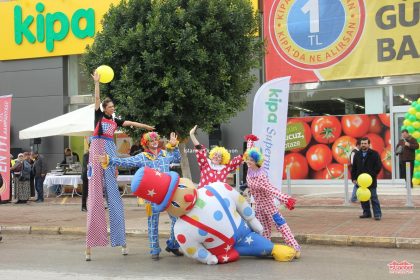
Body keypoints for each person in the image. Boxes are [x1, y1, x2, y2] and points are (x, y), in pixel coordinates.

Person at [85, 70, 154, 261]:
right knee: (96, 196)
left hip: (110, 151)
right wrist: (97, 83)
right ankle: (91, 244)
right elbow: (97, 98)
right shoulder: (98, 116)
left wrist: (145, 126)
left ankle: (121, 241)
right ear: (104, 108)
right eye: (111, 106)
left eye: (113, 106)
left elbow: (129, 122)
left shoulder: (114, 120)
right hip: (97, 150)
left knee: (114, 196)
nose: (113, 108)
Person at [100, 131, 182, 260]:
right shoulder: (142, 156)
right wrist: (110, 160)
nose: (155, 142)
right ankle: (154, 249)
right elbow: (126, 162)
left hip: (168, 194)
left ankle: (172, 244)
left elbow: (177, 158)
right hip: (152, 196)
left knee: (177, 220)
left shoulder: (165, 154)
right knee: (153, 223)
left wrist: (174, 146)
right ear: (146, 143)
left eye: (156, 139)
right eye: (151, 140)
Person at [243, 140, 301, 258]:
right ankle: (266, 248)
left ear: (257, 162)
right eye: (248, 159)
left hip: (268, 205)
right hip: (258, 205)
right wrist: (250, 141)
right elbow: (250, 152)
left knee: (281, 225)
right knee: (263, 228)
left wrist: (286, 199)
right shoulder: (250, 169)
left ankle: (295, 247)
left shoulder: (261, 176)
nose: (248, 161)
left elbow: (271, 189)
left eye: (252, 160)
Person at [351, 137, 382, 220]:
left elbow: (378, 166)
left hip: (370, 180)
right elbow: (354, 167)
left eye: (365, 143)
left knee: (373, 197)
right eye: (362, 143)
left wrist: (372, 175)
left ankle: (377, 214)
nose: (363, 145)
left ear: (369, 144)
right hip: (360, 180)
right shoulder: (357, 154)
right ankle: (366, 213)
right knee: (363, 197)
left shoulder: (374, 154)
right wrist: (353, 178)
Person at [81, 148, 89, 212]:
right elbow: (86, 165)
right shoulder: (86, 155)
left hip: (93, 177)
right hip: (86, 176)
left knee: (96, 192)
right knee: (85, 192)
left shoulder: (96, 155)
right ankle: (83, 206)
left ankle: (98, 206)